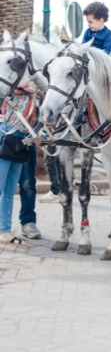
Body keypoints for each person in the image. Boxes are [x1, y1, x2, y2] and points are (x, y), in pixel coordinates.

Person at [0, 83, 37, 246]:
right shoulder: (9, 76)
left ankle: (5, 231)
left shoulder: (34, 81)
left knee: (9, 190)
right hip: (4, 132)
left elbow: (42, 85)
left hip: (22, 138)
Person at [18, 144, 41, 238]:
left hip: (26, 139)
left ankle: (28, 221)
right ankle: (4, 227)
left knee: (27, 184)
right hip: (3, 136)